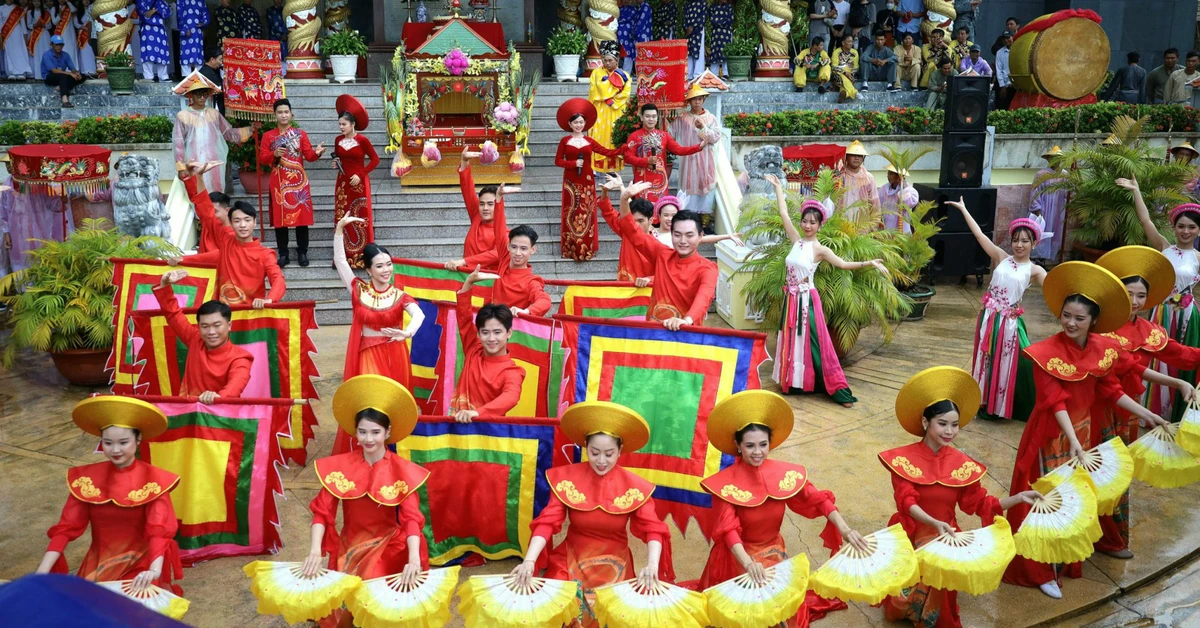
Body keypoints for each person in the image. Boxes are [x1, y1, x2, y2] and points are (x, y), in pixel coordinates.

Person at [1004, 262, 1167, 598]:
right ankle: (1039, 570)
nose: (1071, 323)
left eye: (1079, 318)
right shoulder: (1044, 353)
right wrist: (1076, 442)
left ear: (1094, 320)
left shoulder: (1103, 349)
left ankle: (1064, 559)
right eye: (1066, 315)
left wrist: (1148, 414)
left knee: (1074, 501)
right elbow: (1055, 401)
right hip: (1050, 436)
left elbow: (1112, 390)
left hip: (1083, 435)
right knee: (1045, 500)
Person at [881, 366, 1042, 627]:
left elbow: (980, 503)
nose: (950, 431)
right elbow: (907, 502)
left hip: (946, 538)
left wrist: (1018, 497)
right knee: (898, 607)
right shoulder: (902, 460)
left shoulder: (960, 463)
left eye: (955, 425)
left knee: (940, 612)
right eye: (942, 424)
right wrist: (934, 524)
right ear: (925, 423)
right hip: (912, 534)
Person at [698, 390, 869, 625]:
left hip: (774, 551)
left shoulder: (784, 474)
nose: (757, 452)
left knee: (785, 613)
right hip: (738, 557)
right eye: (749, 446)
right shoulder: (726, 484)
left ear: (771, 443)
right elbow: (729, 531)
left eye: (763, 444)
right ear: (738, 446)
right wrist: (748, 563)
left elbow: (818, 499)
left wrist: (845, 529)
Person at [510, 401, 673, 628]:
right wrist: (529, 560)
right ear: (585, 446)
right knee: (557, 610)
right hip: (571, 558)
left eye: (609, 453)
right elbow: (547, 523)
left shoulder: (635, 486)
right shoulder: (567, 479)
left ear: (620, 450)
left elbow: (653, 529)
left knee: (613, 616)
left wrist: (652, 565)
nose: (601, 461)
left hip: (615, 565)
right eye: (594, 453)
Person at [1095, 246, 1200, 558]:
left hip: (1128, 412)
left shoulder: (1148, 330)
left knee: (1118, 471)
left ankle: (1110, 536)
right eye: (1129, 293)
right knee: (1094, 467)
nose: (1135, 302)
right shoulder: (1099, 323)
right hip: (1095, 407)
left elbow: (1180, 354)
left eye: (1141, 296)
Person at [302, 375, 429, 628]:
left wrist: (413, 558)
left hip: (387, 545)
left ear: (388, 432)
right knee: (337, 612)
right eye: (362, 431)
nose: (368, 439)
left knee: (372, 600)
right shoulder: (340, 466)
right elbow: (322, 513)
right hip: (349, 545)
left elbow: (411, 521)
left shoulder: (402, 470)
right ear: (354, 431)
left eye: (375, 432)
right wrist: (315, 550)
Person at [35, 397, 183, 595]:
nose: (115, 450)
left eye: (123, 442)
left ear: (138, 440)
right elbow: (66, 528)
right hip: (99, 564)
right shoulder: (87, 480)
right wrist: (42, 571)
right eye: (107, 443)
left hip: (141, 565)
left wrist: (154, 570)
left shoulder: (154, 481)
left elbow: (158, 531)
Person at [767, 174, 886, 407]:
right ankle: (794, 383)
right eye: (805, 221)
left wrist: (869, 263)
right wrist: (779, 187)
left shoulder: (820, 249)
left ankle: (833, 387)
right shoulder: (796, 241)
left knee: (813, 342)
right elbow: (782, 213)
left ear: (820, 224)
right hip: (790, 300)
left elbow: (842, 264)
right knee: (793, 340)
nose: (808, 225)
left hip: (807, 302)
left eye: (813, 222)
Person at [952, 198, 1047, 421]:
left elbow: (1056, 286)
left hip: (1009, 323)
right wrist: (965, 210)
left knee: (1010, 362)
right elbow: (979, 236)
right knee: (985, 358)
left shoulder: (1035, 270)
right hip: (987, 317)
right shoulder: (1001, 257)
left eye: (1025, 241)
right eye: (1016, 240)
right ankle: (981, 400)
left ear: (1034, 243)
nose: (1019, 245)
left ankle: (1001, 406)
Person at [332, 217, 423, 448]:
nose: (386, 270)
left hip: (395, 353)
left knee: (392, 405)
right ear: (368, 269)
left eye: (389, 264)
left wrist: (407, 333)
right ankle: (369, 448)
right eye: (380, 265)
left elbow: (419, 315)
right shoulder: (358, 289)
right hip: (368, 352)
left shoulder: (399, 295)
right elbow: (341, 261)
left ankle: (391, 450)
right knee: (370, 402)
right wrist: (340, 230)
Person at [1122, 176, 1200, 422]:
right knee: (1155, 357)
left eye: (1191, 227)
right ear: (1174, 227)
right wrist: (1136, 191)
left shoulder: (1198, 257)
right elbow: (1145, 220)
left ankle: (1179, 412)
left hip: (1188, 315)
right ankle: (1152, 412)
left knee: (1182, 357)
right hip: (1161, 310)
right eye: (1181, 226)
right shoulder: (1163, 246)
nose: (1185, 231)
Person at [177, 161, 286, 307]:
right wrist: (200, 177)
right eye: (237, 221)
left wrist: (269, 299)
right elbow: (205, 209)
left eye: (247, 220)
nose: (242, 225)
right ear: (231, 223)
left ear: (254, 223)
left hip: (250, 314)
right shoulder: (226, 239)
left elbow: (277, 279)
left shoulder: (265, 254)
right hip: (222, 314)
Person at [612, 185, 717, 329]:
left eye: (689, 235)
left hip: (686, 333)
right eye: (677, 235)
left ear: (700, 236)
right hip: (654, 332)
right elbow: (632, 231)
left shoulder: (707, 268)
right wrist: (624, 200)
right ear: (672, 234)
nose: (683, 241)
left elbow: (704, 296)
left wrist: (686, 320)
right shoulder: (662, 254)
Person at [153, 269, 254, 402]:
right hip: (187, 414)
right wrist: (165, 285)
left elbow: (235, 386)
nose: (211, 332)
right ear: (199, 326)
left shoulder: (241, 357)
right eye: (205, 326)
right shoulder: (195, 338)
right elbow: (173, 314)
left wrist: (218, 398)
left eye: (217, 325)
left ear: (229, 326)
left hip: (219, 417)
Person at [448, 268, 526, 423]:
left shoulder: (513, 371)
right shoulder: (473, 348)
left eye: (497, 332)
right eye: (485, 332)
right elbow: (464, 317)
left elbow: (511, 397)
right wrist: (468, 283)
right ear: (478, 333)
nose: (491, 338)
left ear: (509, 333)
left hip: (488, 436)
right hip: (456, 429)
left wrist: (477, 413)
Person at [554, 98, 622, 261]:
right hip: (570, 181)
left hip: (587, 181)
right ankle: (570, 248)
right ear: (570, 124)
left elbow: (607, 152)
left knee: (586, 212)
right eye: (575, 122)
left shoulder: (589, 141)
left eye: (581, 122)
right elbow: (558, 161)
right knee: (570, 212)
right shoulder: (565, 141)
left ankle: (586, 247)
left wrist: (625, 148)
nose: (578, 125)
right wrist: (572, 163)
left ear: (585, 124)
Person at [456, 205, 552, 317]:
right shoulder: (505, 260)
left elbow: (545, 301)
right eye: (514, 247)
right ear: (508, 246)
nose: (517, 253)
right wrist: (499, 198)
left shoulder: (531, 282)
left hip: (512, 330)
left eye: (523, 248)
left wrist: (525, 311)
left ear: (533, 250)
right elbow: (499, 229)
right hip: (492, 321)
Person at [260, 98, 324, 267]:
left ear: (291, 114)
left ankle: (302, 252)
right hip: (278, 183)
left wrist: (317, 153)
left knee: (301, 219)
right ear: (275, 115)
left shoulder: (300, 134)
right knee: (281, 220)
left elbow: (309, 156)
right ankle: (283, 254)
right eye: (280, 112)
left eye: (286, 112)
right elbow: (262, 158)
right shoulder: (268, 136)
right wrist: (273, 154)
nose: (283, 115)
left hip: (299, 182)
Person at [172, 72, 253, 194]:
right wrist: (181, 167)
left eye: (205, 94)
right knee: (196, 192)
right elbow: (178, 142)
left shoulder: (214, 114)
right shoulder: (183, 116)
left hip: (214, 158)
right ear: (191, 95)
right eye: (198, 94)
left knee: (216, 191)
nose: (202, 97)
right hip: (194, 160)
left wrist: (250, 130)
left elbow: (228, 133)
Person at [622, 102, 711, 202]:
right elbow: (627, 157)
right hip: (641, 182)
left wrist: (699, 146)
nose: (651, 119)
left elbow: (679, 150)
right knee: (643, 212)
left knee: (660, 210)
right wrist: (646, 161)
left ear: (657, 118)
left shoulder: (664, 135)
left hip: (661, 181)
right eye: (647, 116)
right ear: (642, 117)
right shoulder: (634, 136)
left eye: (653, 116)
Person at [332, 95, 380, 268]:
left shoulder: (362, 140)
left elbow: (375, 159)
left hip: (359, 184)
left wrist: (361, 173)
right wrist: (335, 163)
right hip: (343, 184)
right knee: (341, 216)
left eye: (344, 124)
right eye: (339, 124)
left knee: (360, 217)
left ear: (353, 124)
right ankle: (342, 256)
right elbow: (338, 158)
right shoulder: (338, 140)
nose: (341, 127)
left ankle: (361, 258)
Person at [669, 84, 723, 223]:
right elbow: (671, 135)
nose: (697, 102)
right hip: (688, 157)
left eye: (700, 99)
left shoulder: (710, 118)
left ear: (704, 100)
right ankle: (688, 218)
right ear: (689, 101)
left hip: (706, 157)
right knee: (689, 184)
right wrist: (668, 121)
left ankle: (705, 220)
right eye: (694, 99)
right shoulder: (682, 118)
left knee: (706, 184)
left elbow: (715, 137)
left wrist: (703, 128)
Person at [0, 173, 66, 272]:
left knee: (40, 261)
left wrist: (62, 201)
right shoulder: (7, 184)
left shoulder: (37, 182)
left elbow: (53, 204)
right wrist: (6, 232)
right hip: (17, 232)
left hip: (38, 229)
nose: (9, 166)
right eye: (7, 163)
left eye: (11, 163)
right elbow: (3, 210)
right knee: (20, 265)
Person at [456, 149, 513, 259]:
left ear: (498, 205)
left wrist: (464, 262)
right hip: (466, 274)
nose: (485, 208)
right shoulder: (477, 216)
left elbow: (496, 254)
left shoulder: (504, 233)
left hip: (487, 276)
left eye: (490, 204)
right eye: (482, 204)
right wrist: (464, 162)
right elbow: (467, 189)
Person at [599, 177, 655, 284]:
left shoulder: (657, 244)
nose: (636, 225)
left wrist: (649, 279)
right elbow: (607, 210)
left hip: (647, 294)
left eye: (641, 221)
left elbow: (667, 272)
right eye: (633, 221)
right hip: (624, 291)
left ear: (651, 220)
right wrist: (605, 191)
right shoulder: (627, 233)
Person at [587, 40, 630, 173]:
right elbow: (595, 91)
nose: (607, 63)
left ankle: (614, 168)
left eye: (610, 60)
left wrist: (612, 100)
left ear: (617, 60)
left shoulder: (625, 75)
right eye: (605, 60)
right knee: (598, 136)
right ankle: (596, 167)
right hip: (599, 110)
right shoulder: (596, 73)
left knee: (614, 136)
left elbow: (625, 94)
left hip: (616, 110)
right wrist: (611, 91)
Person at [1029, 145, 1067, 263]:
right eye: (1053, 158)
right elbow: (1035, 192)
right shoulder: (1041, 174)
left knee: (1055, 232)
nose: (1055, 161)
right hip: (1044, 208)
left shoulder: (1065, 175)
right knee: (1041, 231)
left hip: (1058, 209)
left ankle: (1047, 259)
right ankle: (1037, 259)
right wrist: (1038, 211)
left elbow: (1068, 193)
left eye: (1058, 159)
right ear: (1049, 159)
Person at [838, 140, 879, 222]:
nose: (856, 158)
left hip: (862, 226)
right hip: (840, 225)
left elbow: (875, 203)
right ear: (847, 157)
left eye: (860, 155)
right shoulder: (840, 176)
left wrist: (874, 226)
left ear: (863, 158)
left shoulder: (868, 178)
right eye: (853, 155)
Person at [41, 34, 83, 107]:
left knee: (83, 76)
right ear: (52, 44)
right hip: (49, 77)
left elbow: (72, 68)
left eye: (61, 45)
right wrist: (69, 74)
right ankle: (65, 100)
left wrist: (76, 73)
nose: (59, 47)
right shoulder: (46, 54)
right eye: (57, 45)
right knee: (63, 76)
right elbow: (54, 71)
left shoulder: (65, 55)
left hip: (62, 77)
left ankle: (61, 86)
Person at [136, 0, 169, 81]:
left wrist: (154, 10)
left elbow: (167, 13)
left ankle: (163, 76)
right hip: (147, 28)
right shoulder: (141, 1)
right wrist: (156, 10)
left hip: (160, 29)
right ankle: (148, 76)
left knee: (163, 52)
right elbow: (143, 14)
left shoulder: (161, 1)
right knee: (148, 52)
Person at [878, 165, 917, 232]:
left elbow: (909, 204)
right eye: (888, 173)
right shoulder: (883, 189)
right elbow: (878, 207)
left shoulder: (911, 191)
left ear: (898, 176)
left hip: (903, 231)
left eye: (890, 174)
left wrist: (904, 187)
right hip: (886, 231)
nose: (888, 176)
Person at [1, 0, 33, 80]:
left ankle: (21, 72)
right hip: (6, 33)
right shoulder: (0, 8)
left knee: (20, 52)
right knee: (9, 52)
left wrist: (25, 37)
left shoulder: (18, 9)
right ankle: (11, 73)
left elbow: (23, 24)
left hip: (18, 33)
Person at [175, 0, 205, 76]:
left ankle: (199, 77)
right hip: (187, 31)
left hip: (197, 32)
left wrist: (203, 23)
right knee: (185, 54)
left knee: (198, 55)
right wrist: (184, 28)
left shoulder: (201, 1)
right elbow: (179, 14)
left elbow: (205, 12)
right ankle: (185, 77)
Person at [26, 0, 52, 80]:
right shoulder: (29, 12)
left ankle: (47, 73)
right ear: (32, 2)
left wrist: (43, 25)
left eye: (38, 1)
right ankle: (37, 74)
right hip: (34, 35)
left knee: (45, 52)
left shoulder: (46, 12)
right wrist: (35, 25)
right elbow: (28, 25)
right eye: (34, 1)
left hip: (44, 34)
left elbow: (50, 26)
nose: (36, 3)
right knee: (36, 53)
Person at [830, 33, 860, 102]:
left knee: (849, 79)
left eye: (852, 41)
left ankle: (844, 93)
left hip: (850, 75)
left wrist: (851, 74)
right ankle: (854, 92)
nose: (851, 43)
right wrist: (844, 72)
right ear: (843, 43)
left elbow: (856, 67)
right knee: (842, 77)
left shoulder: (855, 52)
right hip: (838, 74)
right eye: (849, 41)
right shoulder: (836, 52)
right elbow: (834, 67)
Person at [707, 0, 733, 78]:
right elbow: (712, 20)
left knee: (726, 51)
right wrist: (722, 22)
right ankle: (713, 74)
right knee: (715, 52)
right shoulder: (713, 7)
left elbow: (730, 20)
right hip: (716, 34)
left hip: (726, 33)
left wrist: (719, 22)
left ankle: (726, 73)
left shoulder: (729, 7)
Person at [50, 0, 78, 71]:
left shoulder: (69, 7)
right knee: (60, 49)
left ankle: (72, 69)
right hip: (60, 33)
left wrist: (68, 2)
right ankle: (62, 69)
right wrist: (59, 15)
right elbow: (54, 22)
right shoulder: (54, 9)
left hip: (69, 33)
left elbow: (74, 10)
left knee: (70, 48)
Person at [683, 0, 706, 78]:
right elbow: (684, 17)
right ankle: (689, 74)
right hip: (689, 32)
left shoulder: (702, 3)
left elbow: (703, 18)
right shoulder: (687, 4)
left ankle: (698, 74)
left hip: (698, 30)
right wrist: (686, 28)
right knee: (689, 52)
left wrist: (693, 28)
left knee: (698, 51)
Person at [198, 47, 223, 113]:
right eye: (220, 59)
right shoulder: (207, 73)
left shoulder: (206, 70)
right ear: (212, 59)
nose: (221, 62)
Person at [74, 0, 96, 77]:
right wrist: (83, 27)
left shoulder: (92, 9)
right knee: (84, 53)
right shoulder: (79, 12)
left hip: (92, 34)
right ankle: (85, 70)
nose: (86, 1)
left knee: (92, 52)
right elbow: (75, 23)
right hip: (83, 35)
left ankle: (92, 70)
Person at [994, 31, 1014, 110]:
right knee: (1004, 107)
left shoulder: (1018, 50)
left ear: (1012, 37)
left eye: (1008, 38)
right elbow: (999, 70)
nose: (1006, 40)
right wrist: (1002, 86)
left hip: (1016, 86)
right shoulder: (999, 52)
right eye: (1004, 38)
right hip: (1005, 85)